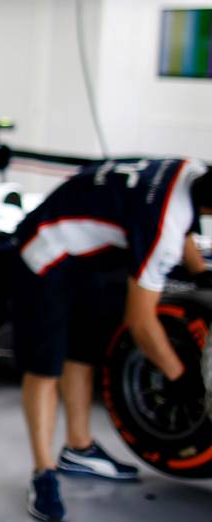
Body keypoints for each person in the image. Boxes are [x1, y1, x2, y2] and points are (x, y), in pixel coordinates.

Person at [12, 158, 212, 521]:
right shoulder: (163, 229)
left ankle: (78, 449)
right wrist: (180, 377)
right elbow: (141, 324)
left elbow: (184, 223)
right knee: (45, 367)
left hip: (89, 254)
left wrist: (200, 273)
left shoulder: (193, 169)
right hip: (45, 250)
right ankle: (43, 473)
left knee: (82, 353)